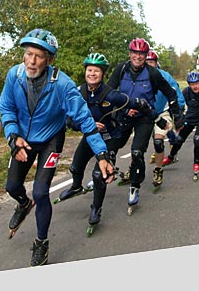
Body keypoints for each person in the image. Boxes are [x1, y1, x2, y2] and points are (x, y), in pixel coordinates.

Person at [0, 29, 115, 266]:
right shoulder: (15, 75)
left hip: (51, 139)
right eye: (28, 54)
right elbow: (7, 108)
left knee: (41, 192)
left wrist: (101, 154)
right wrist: (12, 136)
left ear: (49, 59)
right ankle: (23, 203)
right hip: (23, 139)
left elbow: (84, 119)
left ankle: (41, 242)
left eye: (38, 56)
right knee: (12, 186)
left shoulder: (62, 84)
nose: (32, 61)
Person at [53, 53, 152, 233]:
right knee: (75, 167)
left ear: (102, 74)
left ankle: (96, 209)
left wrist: (145, 106)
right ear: (85, 72)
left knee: (99, 175)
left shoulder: (110, 94)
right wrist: (85, 126)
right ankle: (76, 186)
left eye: (96, 71)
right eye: (89, 70)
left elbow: (130, 102)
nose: (92, 74)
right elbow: (69, 121)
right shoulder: (78, 93)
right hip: (90, 136)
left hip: (110, 137)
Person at [107, 38, 183, 214]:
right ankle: (104, 171)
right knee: (112, 144)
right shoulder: (121, 69)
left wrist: (177, 114)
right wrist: (117, 110)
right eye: (135, 53)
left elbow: (170, 93)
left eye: (141, 54)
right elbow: (109, 91)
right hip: (125, 115)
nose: (138, 57)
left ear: (145, 55)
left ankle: (135, 186)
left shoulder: (152, 73)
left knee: (137, 151)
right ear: (130, 53)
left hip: (145, 117)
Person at [145, 50, 185, 190]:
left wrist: (179, 113)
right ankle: (133, 168)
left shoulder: (164, 76)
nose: (149, 65)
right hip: (144, 114)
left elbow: (175, 92)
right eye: (147, 62)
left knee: (158, 141)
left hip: (162, 112)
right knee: (139, 145)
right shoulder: (137, 76)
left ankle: (158, 170)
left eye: (152, 62)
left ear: (156, 63)